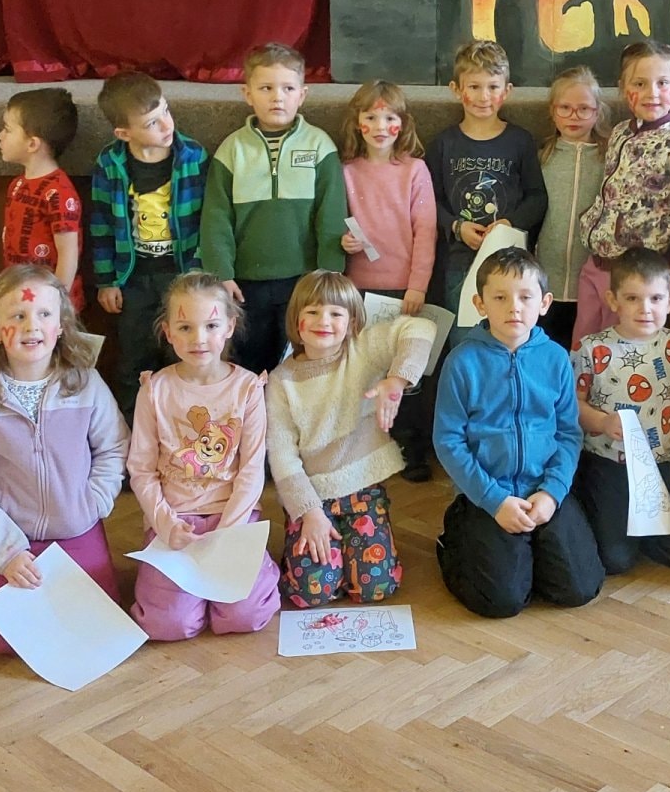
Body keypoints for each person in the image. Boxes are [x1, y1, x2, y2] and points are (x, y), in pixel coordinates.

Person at [0, 265, 128, 656]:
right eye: (17, 315)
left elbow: (114, 447)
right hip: (12, 536)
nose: (31, 325)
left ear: (60, 325)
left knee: (100, 624)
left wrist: (94, 502)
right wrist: (5, 552)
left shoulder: (85, 384)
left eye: (44, 314)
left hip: (77, 526)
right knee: (5, 642)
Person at [433, 247, 604, 618]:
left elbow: (568, 433)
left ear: (544, 303)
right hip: (488, 493)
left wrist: (552, 493)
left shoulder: (556, 358)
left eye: (525, 297)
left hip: (543, 489)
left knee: (580, 588)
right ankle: (457, 540)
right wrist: (495, 501)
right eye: (500, 298)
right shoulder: (462, 362)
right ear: (480, 304)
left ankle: (525, 553)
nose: (514, 308)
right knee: (501, 602)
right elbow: (448, 441)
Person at [266, 271, 435, 606]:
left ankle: (349, 552)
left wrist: (397, 379)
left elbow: (421, 327)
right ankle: (323, 551)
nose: (323, 321)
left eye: (335, 313)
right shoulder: (281, 381)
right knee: (311, 593)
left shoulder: (363, 350)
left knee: (375, 588)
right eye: (312, 311)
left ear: (353, 321)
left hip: (363, 490)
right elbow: (282, 456)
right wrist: (309, 512)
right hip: (312, 499)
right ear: (296, 319)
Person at [419, 39, 549, 476]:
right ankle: (463, 443)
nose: (482, 96)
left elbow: (537, 197)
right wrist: (457, 227)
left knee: (508, 341)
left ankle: (505, 438)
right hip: (459, 262)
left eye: (492, 87)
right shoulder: (444, 144)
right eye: (473, 87)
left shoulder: (519, 141)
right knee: (464, 345)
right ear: (457, 89)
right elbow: (429, 201)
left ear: (506, 91)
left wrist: (508, 223)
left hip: (509, 263)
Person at [127, 272, 281, 638]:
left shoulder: (248, 388)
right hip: (175, 520)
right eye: (185, 327)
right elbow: (142, 469)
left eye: (210, 325)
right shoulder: (154, 390)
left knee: (242, 617)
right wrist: (165, 524)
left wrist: (229, 530)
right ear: (168, 332)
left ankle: (259, 569)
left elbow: (252, 468)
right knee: (169, 624)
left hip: (232, 518)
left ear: (229, 326)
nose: (198, 339)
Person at [199, 42, 348, 374]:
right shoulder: (232, 150)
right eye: (266, 88)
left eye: (288, 88)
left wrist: (329, 274)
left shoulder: (319, 145)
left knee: (300, 360)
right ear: (247, 93)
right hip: (245, 285)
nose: (277, 97)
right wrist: (222, 274)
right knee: (248, 363)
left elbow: (331, 215)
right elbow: (216, 218)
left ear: (302, 94)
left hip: (304, 281)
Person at [573, 248, 670, 573]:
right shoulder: (591, 349)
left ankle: (641, 533)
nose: (645, 309)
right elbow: (573, 407)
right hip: (607, 462)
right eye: (632, 298)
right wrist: (603, 421)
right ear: (613, 300)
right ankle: (617, 528)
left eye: (655, 299)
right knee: (614, 560)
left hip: (659, 461)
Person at [573, 40, 670, 344]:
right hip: (597, 263)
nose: (652, 93)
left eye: (662, 83)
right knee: (583, 348)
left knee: (619, 353)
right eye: (639, 83)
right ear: (624, 88)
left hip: (635, 278)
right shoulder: (620, 131)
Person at [88, 71, 207, 419]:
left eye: (165, 111)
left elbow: (208, 218)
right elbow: (100, 224)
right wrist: (107, 280)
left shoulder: (193, 156)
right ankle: (130, 430)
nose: (166, 125)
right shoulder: (109, 164)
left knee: (182, 355)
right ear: (124, 133)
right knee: (134, 359)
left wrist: (201, 272)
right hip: (134, 278)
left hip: (181, 275)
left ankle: (183, 428)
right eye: (152, 122)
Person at [336, 80, 437, 467]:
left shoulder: (414, 170)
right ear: (357, 122)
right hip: (357, 290)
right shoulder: (345, 171)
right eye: (371, 117)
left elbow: (425, 231)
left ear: (403, 123)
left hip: (403, 290)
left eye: (389, 118)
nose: (380, 127)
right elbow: (333, 222)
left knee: (405, 370)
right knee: (362, 371)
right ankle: (364, 445)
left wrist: (417, 286)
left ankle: (411, 445)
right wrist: (343, 241)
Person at [535, 65, 609, 347]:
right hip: (545, 280)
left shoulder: (609, 157)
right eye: (565, 108)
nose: (574, 116)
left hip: (591, 282)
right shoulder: (542, 156)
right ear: (552, 111)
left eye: (584, 109)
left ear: (597, 112)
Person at [0, 86, 84, 311]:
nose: (0, 136)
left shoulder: (58, 192)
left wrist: (56, 303)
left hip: (51, 306)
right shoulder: (17, 185)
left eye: (7, 129)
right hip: (20, 295)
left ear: (32, 144)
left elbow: (68, 253)